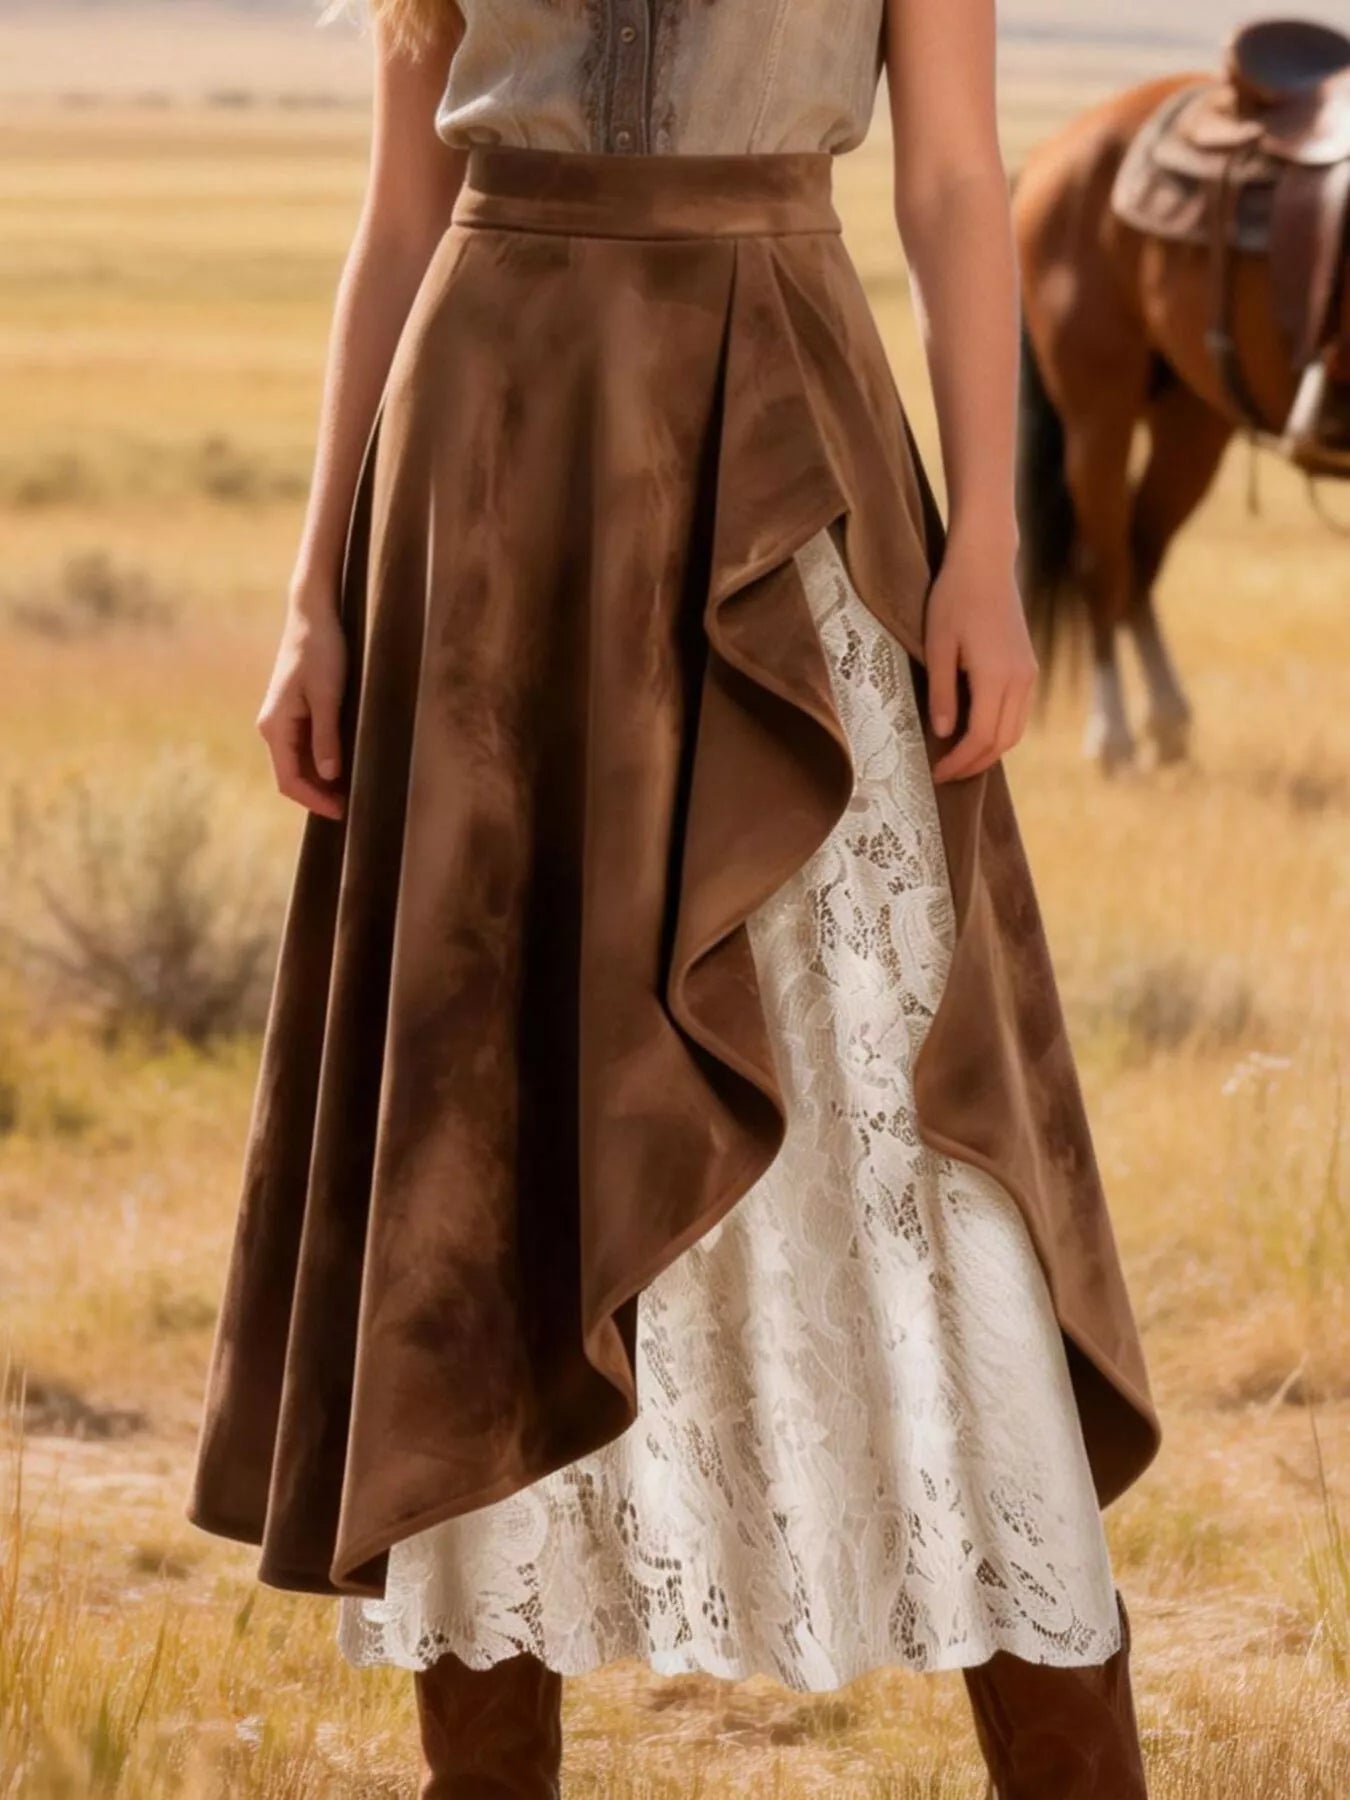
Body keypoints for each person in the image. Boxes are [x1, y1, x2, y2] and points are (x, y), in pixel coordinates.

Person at [186, 2, 1163, 1794]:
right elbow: (401, 214)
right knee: (489, 1139)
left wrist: (992, 555)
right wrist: (313, 590)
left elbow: (951, 179)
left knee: (897, 1103)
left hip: (784, 432)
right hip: (490, 459)